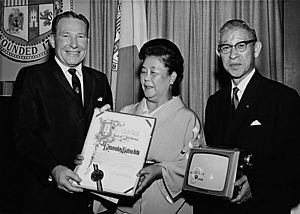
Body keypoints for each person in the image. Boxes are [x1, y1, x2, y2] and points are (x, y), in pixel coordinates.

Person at [81, 38, 205, 214]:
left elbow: (196, 169)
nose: (146, 78)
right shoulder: (126, 112)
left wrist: (159, 170)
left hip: (167, 208)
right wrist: (90, 157)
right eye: (143, 72)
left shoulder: (188, 119)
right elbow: (109, 159)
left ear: (172, 78)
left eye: (153, 72)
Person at [12, 11, 113, 213]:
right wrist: (53, 169)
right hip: (45, 196)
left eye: (81, 36)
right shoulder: (32, 77)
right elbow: (22, 136)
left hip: (89, 195)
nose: (74, 44)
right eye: (66, 36)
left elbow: (106, 136)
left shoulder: (99, 80)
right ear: (51, 41)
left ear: (88, 40)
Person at [202, 19, 300, 213]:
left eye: (241, 46)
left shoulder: (283, 98)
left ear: (256, 49)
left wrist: (256, 185)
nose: (233, 55)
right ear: (218, 53)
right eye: (226, 48)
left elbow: (294, 162)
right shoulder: (215, 102)